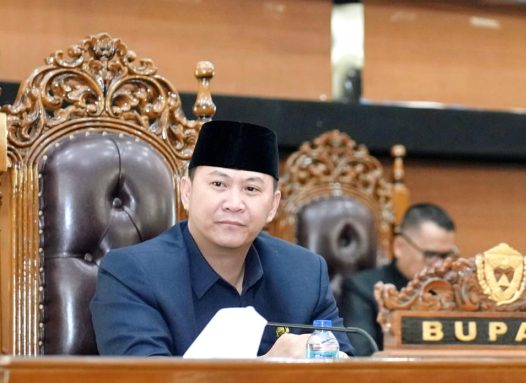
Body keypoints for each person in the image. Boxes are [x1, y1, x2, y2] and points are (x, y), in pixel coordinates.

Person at [91, 120, 353, 357]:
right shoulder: (131, 274)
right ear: (186, 192)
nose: (234, 203)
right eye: (218, 185)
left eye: (251, 188)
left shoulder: (306, 274)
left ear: (273, 206)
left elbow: (348, 373)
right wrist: (270, 367)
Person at [340, 203, 456, 356]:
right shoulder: (362, 289)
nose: (441, 266)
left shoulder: (453, 290)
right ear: (399, 246)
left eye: (446, 256)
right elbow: (361, 358)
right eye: (431, 255)